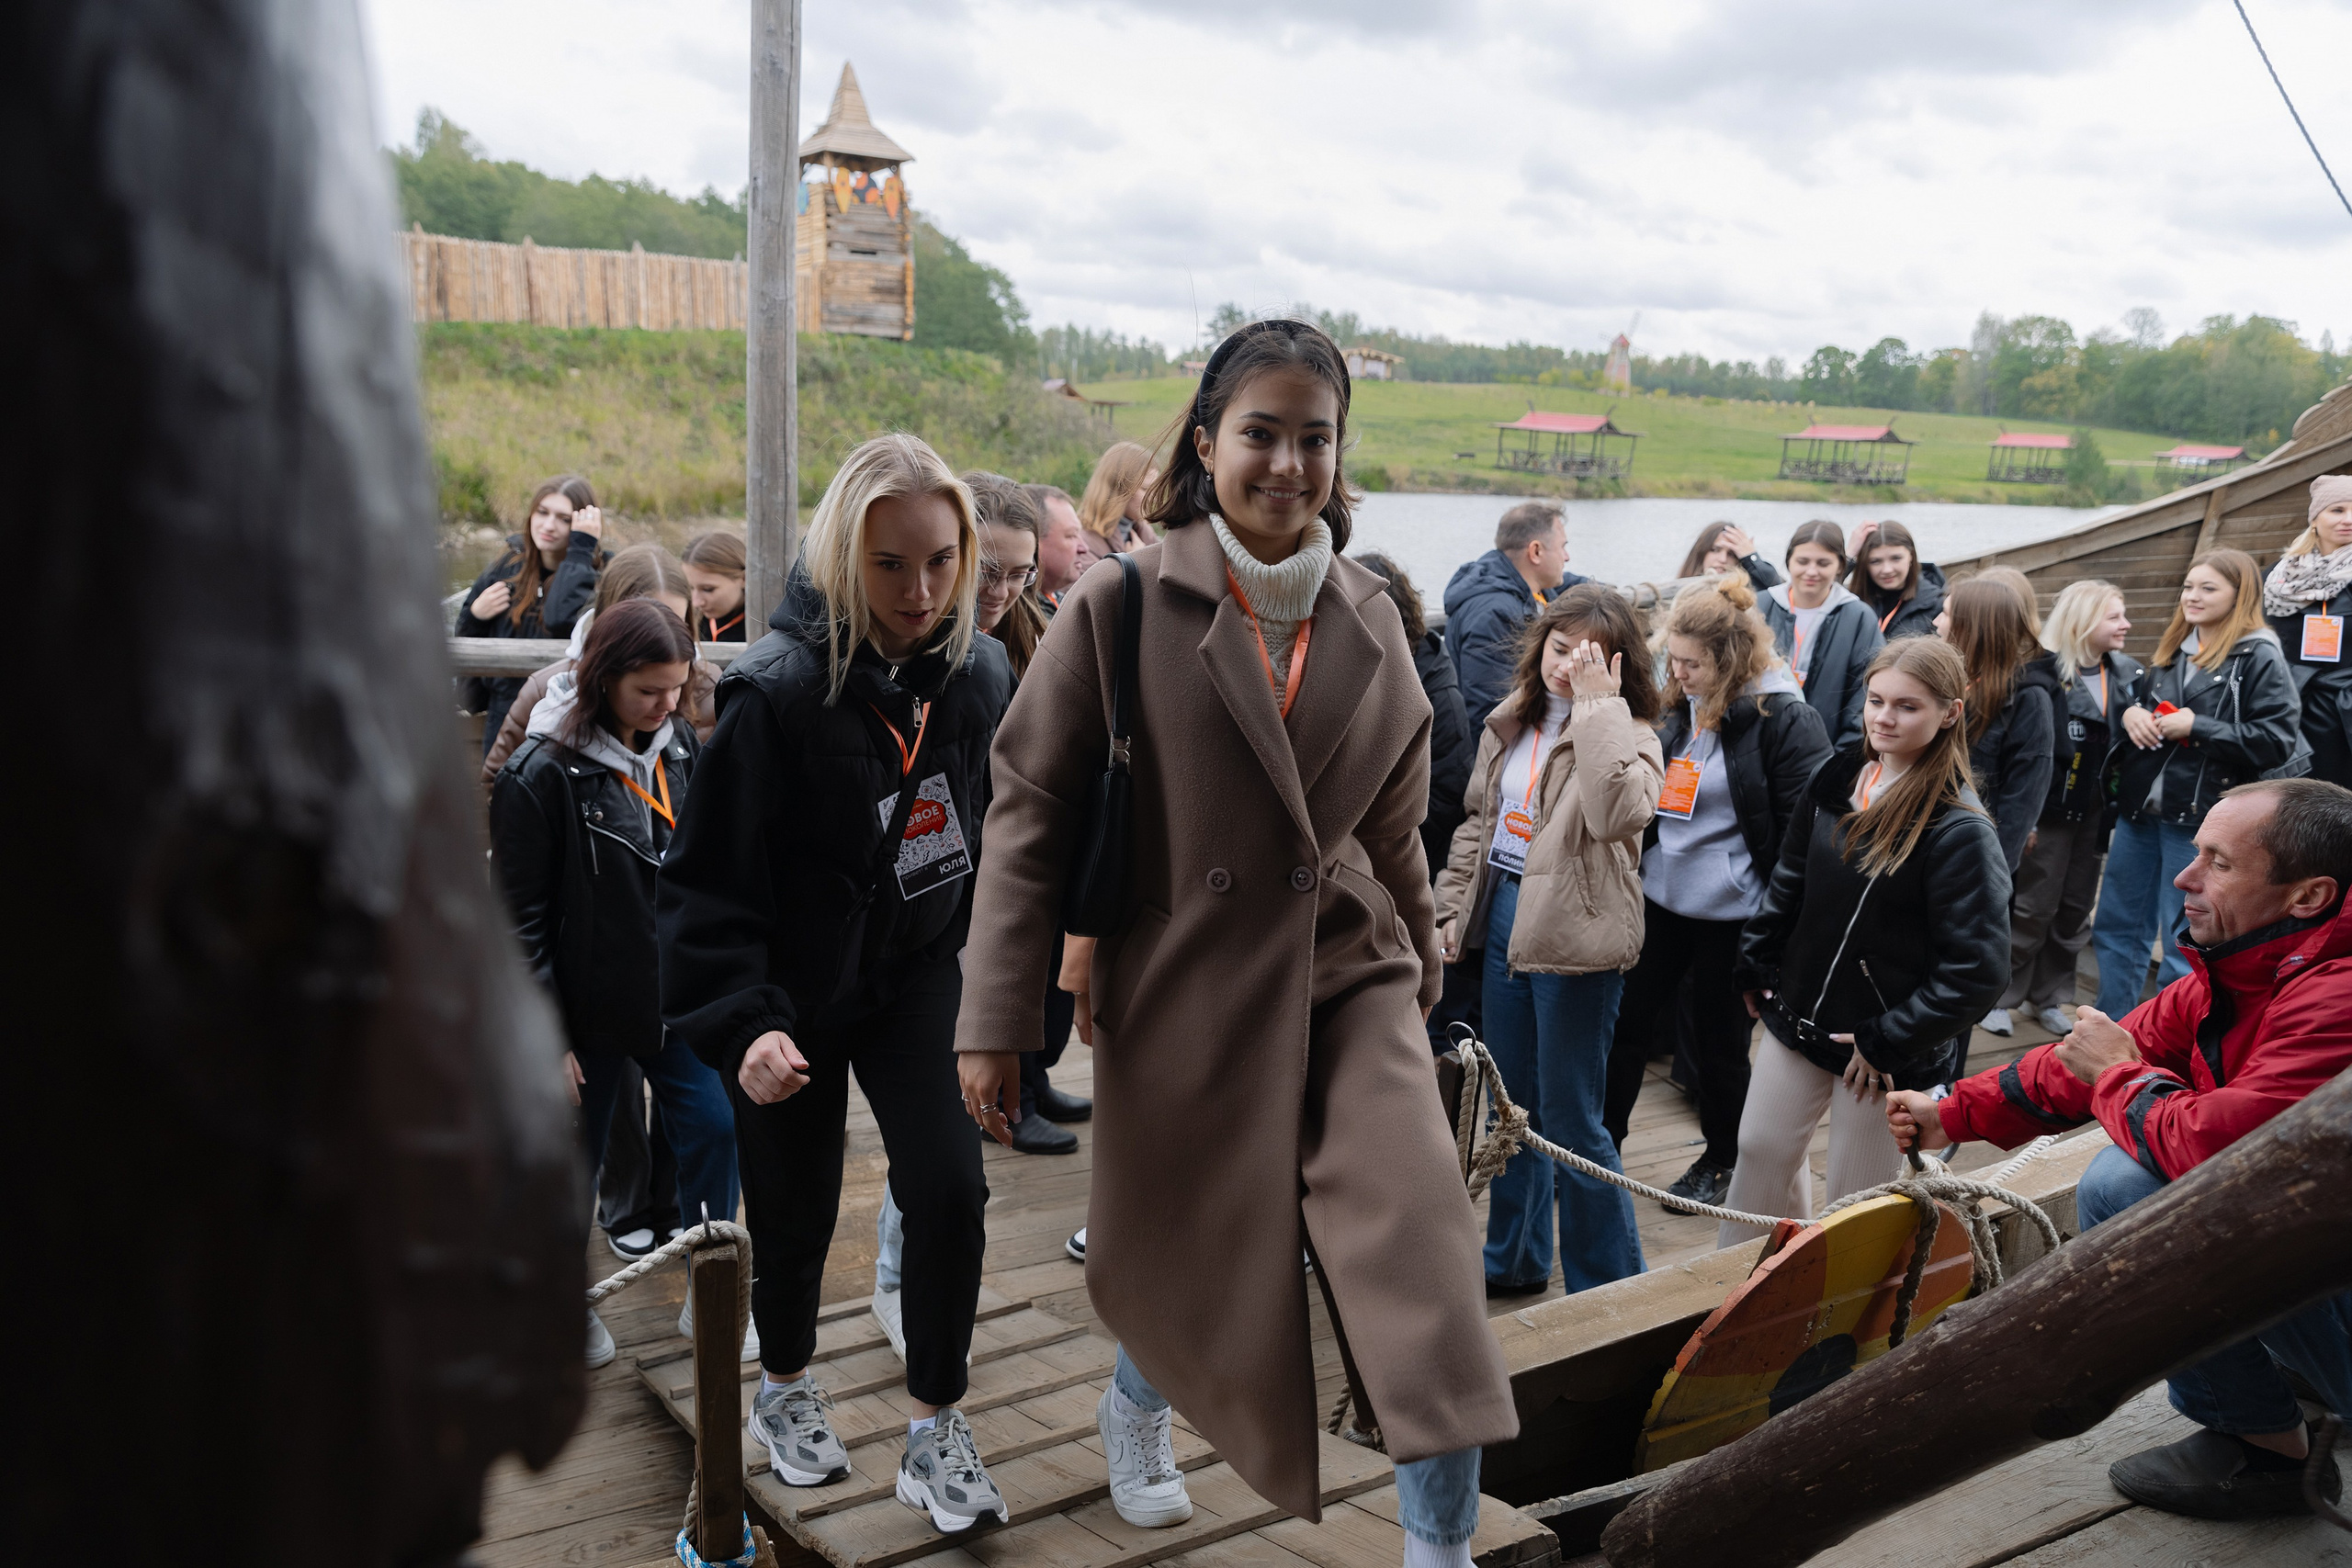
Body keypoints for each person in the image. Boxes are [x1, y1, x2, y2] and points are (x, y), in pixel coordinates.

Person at [953, 319, 1517, 1563]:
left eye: (1317, 438)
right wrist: (994, 1018)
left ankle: (1441, 1548)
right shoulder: (1119, 601)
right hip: (1184, 981)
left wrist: (1424, 962)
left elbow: (1394, 823)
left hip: (1349, 975)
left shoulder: (1374, 613)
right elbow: (1029, 808)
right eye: (1262, 432)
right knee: (1193, 1247)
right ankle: (1137, 1405)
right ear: (1206, 444)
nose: (1289, 463)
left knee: (1424, 1252)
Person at [657, 434, 1013, 1531]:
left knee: (949, 1188)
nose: (921, 592)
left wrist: (1009, 989)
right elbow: (705, 889)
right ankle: (783, 1386)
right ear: (840, 559)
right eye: (889, 564)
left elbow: (999, 837)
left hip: (915, 973)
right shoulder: (769, 696)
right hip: (790, 992)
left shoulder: (979, 676)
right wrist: (745, 1026)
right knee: (796, 1205)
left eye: (942, 562)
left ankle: (933, 1426)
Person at [1889, 778, 2352, 1521]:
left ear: (2308, 895)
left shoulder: (2336, 997)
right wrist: (1950, 1113)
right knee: (2135, 1170)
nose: (2184, 877)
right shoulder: (2251, 965)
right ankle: (2302, 1377)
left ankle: (2265, 1448)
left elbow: (2219, 1150)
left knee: (2125, 1185)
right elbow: (2085, 1057)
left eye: (2218, 862)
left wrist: (2119, 1074)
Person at [487, 598, 741, 1370]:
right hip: (581, 1010)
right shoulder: (539, 772)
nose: (668, 705)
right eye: (649, 691)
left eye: (677, 687)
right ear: (602, 678)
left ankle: (712, 1290)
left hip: (671, 995)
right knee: (573, 1161)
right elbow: (517, 920)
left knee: (716, 1127)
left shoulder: (678, 746)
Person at [1721, 638, 2010, 1247]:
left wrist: (1889, 1037)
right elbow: (1792, 873)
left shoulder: (1959, 828)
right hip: (1798, 1013)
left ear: (1950, 713)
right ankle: (1745, 1282)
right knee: (1760, 1152)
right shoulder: (1837, 775)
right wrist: (1757, 956)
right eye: (1876, 700)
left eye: (1907, 706)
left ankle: (1837, 1302)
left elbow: (1978, 971)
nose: (1884, 717)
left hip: (1881, 1053)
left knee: (1855, 1200)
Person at [1436, 582, 1664, 1298]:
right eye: (1561, 648)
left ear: (1619, 665)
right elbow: (1477, 821)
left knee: (1572, 1119)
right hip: (1507, 908)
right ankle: (1513, 1258)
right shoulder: (1511, 721)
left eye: (1589, 656)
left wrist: (1598, 710)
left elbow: (1617, 814)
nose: (1568, 665)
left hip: (1577, 931)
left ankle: (1613, 1286)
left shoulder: (1636, 736)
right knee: (1510, 1106)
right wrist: (1452, 906)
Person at [1604, 574, 1831, 1208]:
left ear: (1730, 660)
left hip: (1733, 914)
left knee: (1718, 1045)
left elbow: (1803, 838)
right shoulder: (1682, 704)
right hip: (1661, 899)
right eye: (1672, 660)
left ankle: (1722, 1159)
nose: (1677, 674)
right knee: (1625, 1027)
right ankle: (1601, 1149)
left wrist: (1775, 934)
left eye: (1692, 663)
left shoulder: (1785, 719)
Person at [2092, 549, 2301, 1020]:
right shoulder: (2174, 648)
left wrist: (2197, 726)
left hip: (2199, 823)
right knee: (2116, 926)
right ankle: (2110, 1027)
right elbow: (2139, 703)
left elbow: (2276, 740)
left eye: (2208, 588)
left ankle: (2169, 1038)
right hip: (2140, 813)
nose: (2193, 596)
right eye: (2189, 587)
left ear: (2239, 595)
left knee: (2185, 940)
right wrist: (2131, 714)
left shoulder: (2259, 654)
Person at [965, 471, 1087, 1150]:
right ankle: (1009, 1106)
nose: (1001, 590)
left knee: (1044, 982)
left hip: (1030, 828)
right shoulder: (939, 644)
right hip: (976, 842)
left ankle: (1033, 1084)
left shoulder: (1028, 625)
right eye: (989, 571)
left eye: (1019, 573)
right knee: (1007, 975)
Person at [1997, 581, 2140, 1039]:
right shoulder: (2043, 675)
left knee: (2075, 907)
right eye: (2114, 617)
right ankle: (2000, 995)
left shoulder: (2129, 675)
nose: (2126, 625)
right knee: (2031, 905)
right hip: (2051, 809)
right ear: (2083, 621)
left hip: (2098, 813)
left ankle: (2049, 996)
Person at [481, 543, 717, 783]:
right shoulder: (547, 691)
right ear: (608, 616)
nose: (664, 633)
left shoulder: (711, 687)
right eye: (645, 621)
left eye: (675, 620)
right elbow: (501, 783)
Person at [1937, 577, 2057, 1043]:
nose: (1936, 621)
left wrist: (1986, 883)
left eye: (1947, 614)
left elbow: (2022, 805)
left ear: (1973, 627)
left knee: (1953, 989)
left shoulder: (2029, 700)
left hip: (1973, 870)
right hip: (1926, 854)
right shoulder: (1948, 683)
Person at [458, 474, 605, 756]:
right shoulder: (506, 566)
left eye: (564, 519)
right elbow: (465, 631)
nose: (548, 525)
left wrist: (579, 552)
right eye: (542, 512)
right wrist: (475, 615)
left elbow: (559, 619)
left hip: (564, 718)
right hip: (502, 713)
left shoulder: (598, 579)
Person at [1444, 502, 1589, 728]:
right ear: (1536, 552)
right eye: (1562, 547)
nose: (1567, 556)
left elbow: (1572, 584)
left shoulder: (1529, 587)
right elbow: (1489, 713)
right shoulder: (1494, 615)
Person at [1758, 520, 1883, 750]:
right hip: (1761, 744)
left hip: (1826, 746)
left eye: (1823, 563)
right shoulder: (1760, 606)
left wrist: (1837, 761)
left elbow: (1863, 695)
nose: (1811, 571)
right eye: (1802, 561)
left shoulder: (1858, 617)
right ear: (1788, 561)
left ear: (1840, 565)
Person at [2263, 475, 2352, 789]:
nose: (2348, 519)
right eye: (2337, 510)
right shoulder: (2278, 577)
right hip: (2287, 707)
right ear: (2315, 518)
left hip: (2343, 713)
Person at [1849, 520, 1945, 641]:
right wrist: (1848, 558)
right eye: (1875, 561)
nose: (1887, 570)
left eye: (1896, 558)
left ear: (1911, 556)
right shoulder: (1853, 600)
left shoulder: (1936, 605)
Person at [1076, 440, 1160, 558]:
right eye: (1145, 489)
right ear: (1119, 490)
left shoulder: (1144, 532)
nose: (1154, 499)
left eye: (1155, 490)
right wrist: (1134, 561)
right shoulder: (1083, 545)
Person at [1024, 482, 1090, 604]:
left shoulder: (1060, 601)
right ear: (1034, 543)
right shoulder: (1016, 614)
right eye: (1071, 535)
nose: (1084, 548)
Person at [683, 530, 750, 641]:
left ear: (744, 578)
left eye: (708, 589)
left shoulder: (769, 626)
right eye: (690, 588)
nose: (696, 603)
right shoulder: (684, 620)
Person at [1676, 521, 1781, 587]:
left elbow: (1776, 587)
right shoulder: (1679, 590)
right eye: (1715, 550)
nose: (1723, 559)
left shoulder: (1747, 595)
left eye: (1731, 554)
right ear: (1701, 552)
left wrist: (1752, 557)